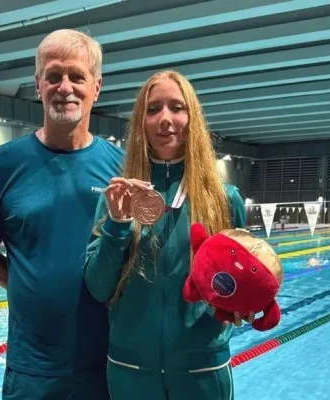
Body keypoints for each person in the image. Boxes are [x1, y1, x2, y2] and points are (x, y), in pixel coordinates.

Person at [0, 29, 124, 400]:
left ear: (96, 87)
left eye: (77, 76)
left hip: (108, 364)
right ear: (39, 85)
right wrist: (29, 289)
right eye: (54, 76)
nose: (65, 87)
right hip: (32, 369)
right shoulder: (2, 164)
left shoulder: (121, 167)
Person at [84, 70, 252, 400]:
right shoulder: (117, 199)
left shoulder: (223, 199)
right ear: (141, 122)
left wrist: (243, 303)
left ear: (192, 119)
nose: (165, 119)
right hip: (131, 372)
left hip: (202, 372)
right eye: (153, 109)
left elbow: (244, 278)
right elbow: (98, 287)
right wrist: (117, 224)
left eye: (176, 107)